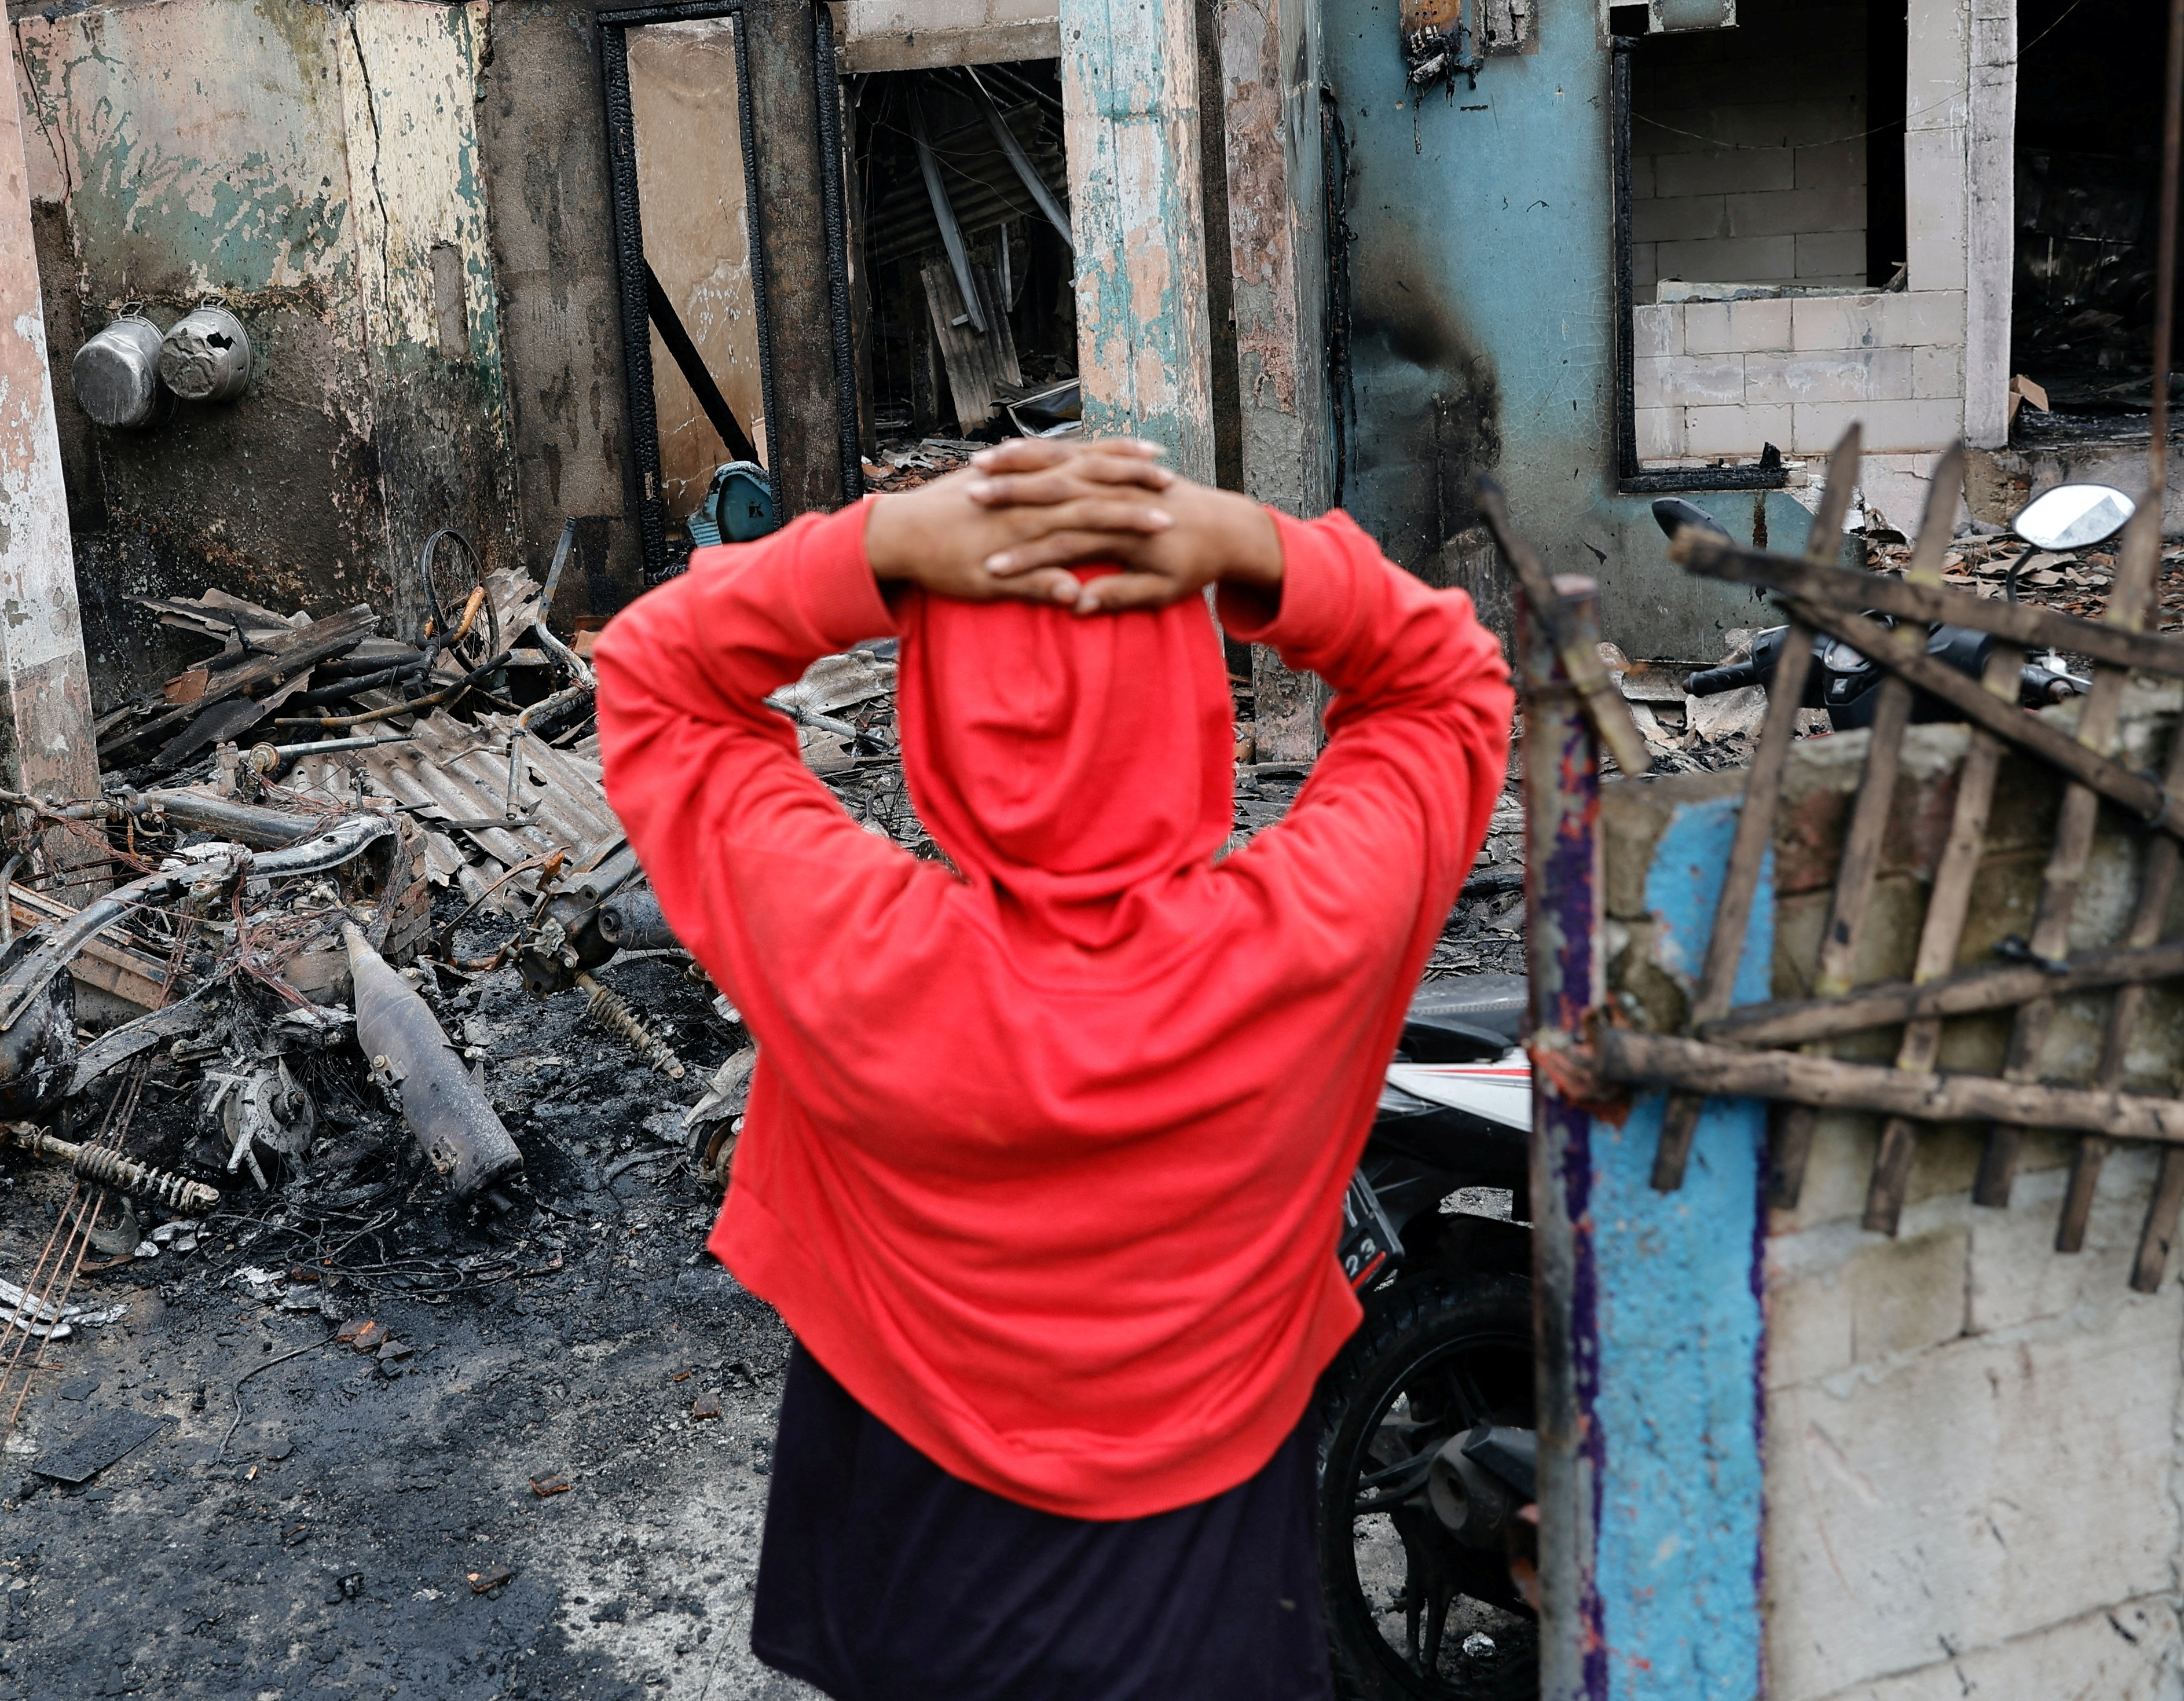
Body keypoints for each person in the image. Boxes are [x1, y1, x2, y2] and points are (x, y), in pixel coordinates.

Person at [591, 435, 1514, 1699]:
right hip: (1210, 1618)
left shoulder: (852, 956)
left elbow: (656, 675)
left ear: (935, 726)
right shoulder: (1305, 947)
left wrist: (882, 548)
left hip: (917, 1598)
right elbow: (1449, 683)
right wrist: (1250, 547)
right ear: (1196, 714)